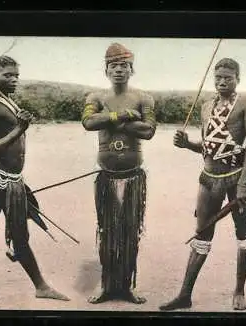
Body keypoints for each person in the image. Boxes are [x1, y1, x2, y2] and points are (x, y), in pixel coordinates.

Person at [0, 55, 70, 308]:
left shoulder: (7, 101)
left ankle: (41, 287)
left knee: (20, 237)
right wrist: (20, 129)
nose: (14, 79)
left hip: (14, 180)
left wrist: (20, 125)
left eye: (17, 75)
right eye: (8, 75)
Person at [159, 58, 246, 311]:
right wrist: (186, 144)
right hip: (208, 178)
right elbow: (208, 148)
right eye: (218, 78)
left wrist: (245, 182)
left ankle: (239, 292)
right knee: (202, 233)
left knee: (242, 231)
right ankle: (184, 295)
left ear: (238, 78)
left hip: (237, 179)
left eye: (228, 77)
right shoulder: (205, 107)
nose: (222, 81)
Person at [81, 42, 157, 304]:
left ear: (131, 69)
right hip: (107, 176)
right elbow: (89, 122)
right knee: (107, 233)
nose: (118, 70)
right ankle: (106, 285)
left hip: (134, 176)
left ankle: (127, 286)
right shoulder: (95, 98)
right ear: (106, 70)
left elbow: (149, 131)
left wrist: (111, 119)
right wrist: (122, 114)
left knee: (130, 233)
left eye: (123, 66)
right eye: (113, 66)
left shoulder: (144, 98)